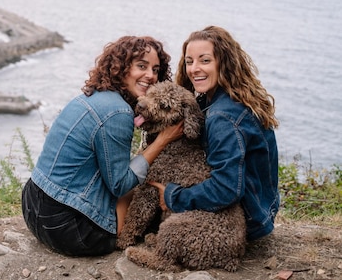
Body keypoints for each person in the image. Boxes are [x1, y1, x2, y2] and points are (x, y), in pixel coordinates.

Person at [22, 36, 184, 256]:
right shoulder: (118, 111)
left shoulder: (91, 96)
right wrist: (163, 139)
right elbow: (120, 185)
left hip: (33, 205)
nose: (151, 76)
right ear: (121, 67)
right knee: (140, 189)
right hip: (68, 228)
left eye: (155, 69)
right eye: (141, 66)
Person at [149, 25, 279, 242]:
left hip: (244, 220)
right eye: (189, 62)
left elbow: (227, 188)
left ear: (224, 62)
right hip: (263, 209)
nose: (194, 69)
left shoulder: (223, 117)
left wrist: (174, 196)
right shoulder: (225, 98)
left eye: (205, 60)